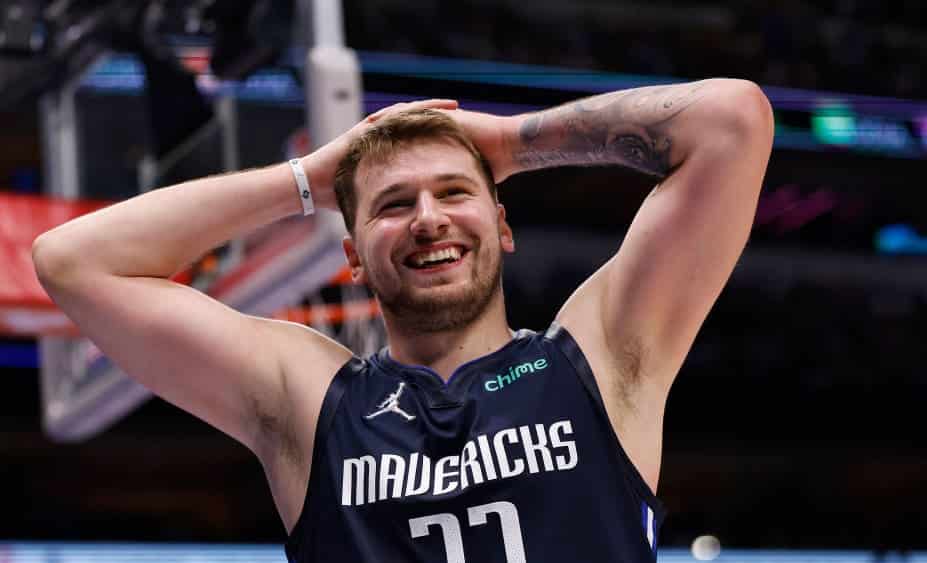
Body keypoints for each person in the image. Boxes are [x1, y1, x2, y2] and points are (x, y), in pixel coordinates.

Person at [33, 79, 773, 562]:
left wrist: (512, 143)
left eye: (453, 192)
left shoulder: (602, 359)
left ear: (502, 225)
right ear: (352, 257)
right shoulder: (310, 400)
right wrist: (307, 180)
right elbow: (72, 262)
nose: (427, 219)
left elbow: (732, 120)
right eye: (393, 204)